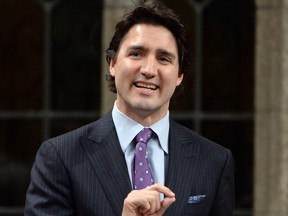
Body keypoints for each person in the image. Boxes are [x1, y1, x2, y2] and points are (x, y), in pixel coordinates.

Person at [24, 0, 235, 215]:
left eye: (163, 58)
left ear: (180, 75)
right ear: (113, 63)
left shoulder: (214, 161)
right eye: (136, 54)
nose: (149, 70)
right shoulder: (61, 157)